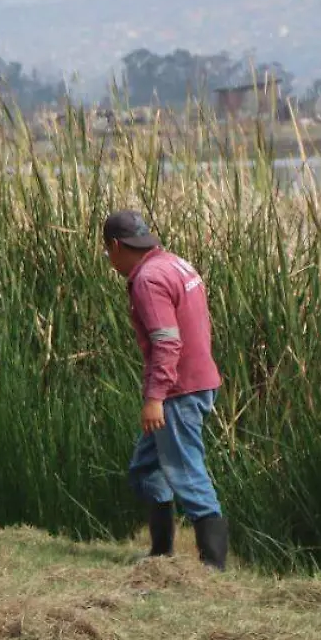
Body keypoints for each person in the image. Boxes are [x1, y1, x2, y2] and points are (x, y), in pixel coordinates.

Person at [102, 210, 230, 570]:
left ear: (115, 246)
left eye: (108, 254)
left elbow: (166, 343)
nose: (110, 262)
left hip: (178, 389)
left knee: (185, 471)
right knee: (146, 469)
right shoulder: (175, 264)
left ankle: (213, 566)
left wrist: (155, 397)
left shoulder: (147, 280)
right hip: (198, 379)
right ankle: (161, 554)